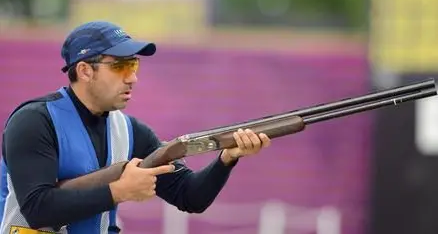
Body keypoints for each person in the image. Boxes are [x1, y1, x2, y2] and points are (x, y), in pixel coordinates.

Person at [0, 21, 271, 234]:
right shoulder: (34, 121)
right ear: (84, 71)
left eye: (134, 64)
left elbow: (191, 196)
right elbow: (37, 209)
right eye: (120, 66)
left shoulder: (131, 131)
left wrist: (226, 159)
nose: (133, 77)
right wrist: (119, 191)